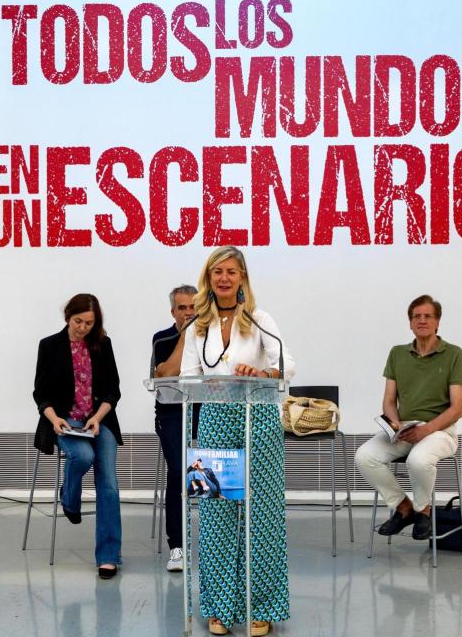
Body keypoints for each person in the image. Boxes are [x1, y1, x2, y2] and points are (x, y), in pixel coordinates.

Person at [181, 246, 295, 637]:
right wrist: (203, 381)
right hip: (214, 422)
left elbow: (287, 365)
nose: (224, 278)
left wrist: (260, 373)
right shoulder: (197, 325)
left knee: (260, 516)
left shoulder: (260, 320)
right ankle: (220, 608)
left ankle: (261, 607)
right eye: (217, 273)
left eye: (231, 272)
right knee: (216, 518)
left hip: (257, 421)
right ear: (209, 279)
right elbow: (187, 375)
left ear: (242, 277)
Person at [354, 294, 462, 541]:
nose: (422, 320)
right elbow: (389, 400)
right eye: (416, 316)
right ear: (410, 323)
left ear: (437, 322)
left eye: (428, 316)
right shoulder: (397, 354)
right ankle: (404, 508)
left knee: (417, 461)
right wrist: (395, 424)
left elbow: (457, 408)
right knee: (364, 456)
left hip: (440, 431)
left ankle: (423, 511)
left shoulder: (454, 355)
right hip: (406, 429)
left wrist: (426, 431)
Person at [32, 293, 123, 579]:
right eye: (78, 321)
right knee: (83, 455)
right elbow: (40, 393)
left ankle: (108, 556)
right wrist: (54, 419)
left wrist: (97, 418)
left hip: (99, 419)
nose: (83, 327)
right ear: (67, 317)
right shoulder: (49, 346)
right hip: (63, 419)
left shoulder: (102, 344)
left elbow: (113, 391)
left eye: (89, 323)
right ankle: (70, 498)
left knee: (108, 483)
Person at [152, 284, 197, 571]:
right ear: (173, 311)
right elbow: (167, 373)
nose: (189, 313)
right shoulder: (162, 338)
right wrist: (187, 336)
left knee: (213, 471)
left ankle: (216, 544)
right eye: (183, 308)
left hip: (207, 411)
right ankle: (177, 547)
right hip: (172, 413)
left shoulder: (215, 336)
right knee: (181, 471)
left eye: (194, 307)